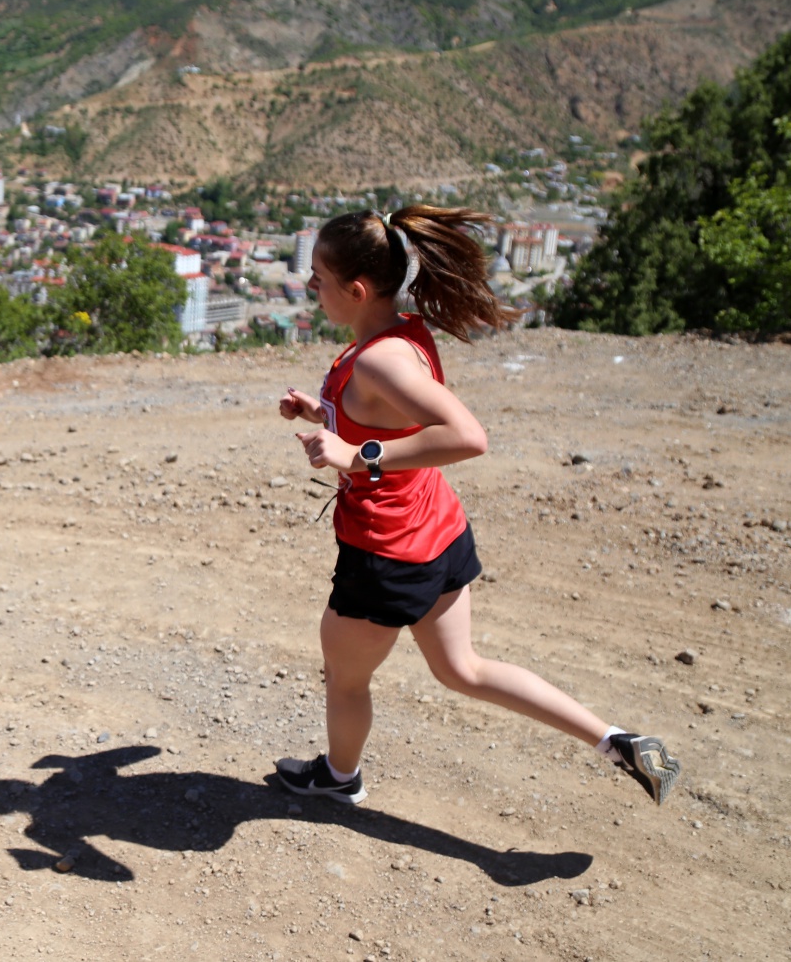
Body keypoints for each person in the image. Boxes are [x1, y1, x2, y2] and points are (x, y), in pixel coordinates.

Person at [273, 206, 679, 806]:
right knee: (463, 669)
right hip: (437, 531)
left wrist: (357, 456)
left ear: (356, 290)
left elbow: (467, 436)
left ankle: (338, 776)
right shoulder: (402, 333)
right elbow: (392, 416)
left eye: (319, 278)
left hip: (385, 553)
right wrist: (323, 412)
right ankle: (617, 741)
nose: (310, 286)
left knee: (346, 678)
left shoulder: (379, 359)